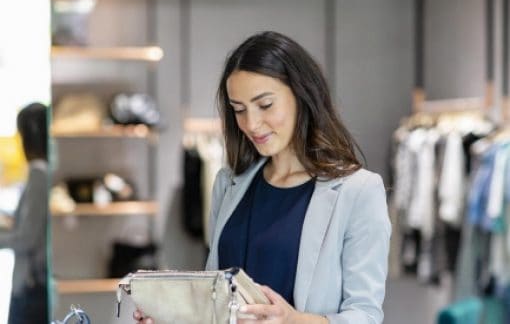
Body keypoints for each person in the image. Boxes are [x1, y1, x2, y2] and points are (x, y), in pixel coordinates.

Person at [135, 31, 391, 324]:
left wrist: (292, 320)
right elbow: (216, 302)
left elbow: (365, 315)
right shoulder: (229, 184)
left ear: (302, 95)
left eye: (265, 105)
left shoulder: (359, 191)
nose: (251, 124)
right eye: (239, 110)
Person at [0, 103, 49, 324]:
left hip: (30, 284)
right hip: (31, 284)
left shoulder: (39, 176)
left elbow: (28, 237)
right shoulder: (39, 174)